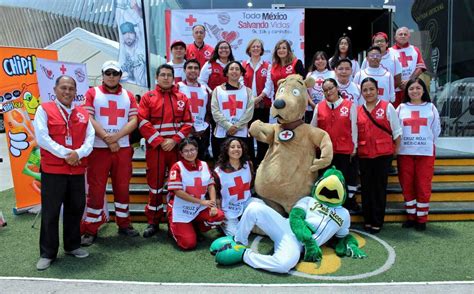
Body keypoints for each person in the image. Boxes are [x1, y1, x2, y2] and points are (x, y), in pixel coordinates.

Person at [33, 75, 94, 270]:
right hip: (53, 170)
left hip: (76, 170)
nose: (67, 91)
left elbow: (90, 139)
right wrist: (66, 154)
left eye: (71, 88)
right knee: (50, 212)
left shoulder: (83, 114)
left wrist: (78, 153)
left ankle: (72, 245)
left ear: (76, 92)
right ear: (56, 89)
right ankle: (47, 253)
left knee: (75, 209)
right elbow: (42, 138)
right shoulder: (44, 109)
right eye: (63, 88)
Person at [80, 60, 139, 246]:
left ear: (120, 75)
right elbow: (88, 117)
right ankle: (91, 228)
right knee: (95, 190)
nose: (111, 76)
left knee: (122, 187)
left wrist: (116, 138)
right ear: (103, 75)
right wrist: (107, 137)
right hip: (98, 148)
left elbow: (134, 120)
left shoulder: (128, 95)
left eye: (115, 73)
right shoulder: (92, 93)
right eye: (108, 73)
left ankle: (124, 223)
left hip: (122, 148)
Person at [138, 64, 194, 238]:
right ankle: (153, 221)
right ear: (157, 77)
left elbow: (188, 122)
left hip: (177, 149)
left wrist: (174, 140)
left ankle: (175, 220)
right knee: (155, 186)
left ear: (173, 77)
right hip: (156, 149)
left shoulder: (182, 97)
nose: (166, 78)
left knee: (177, 185)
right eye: (162, 75)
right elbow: (142, 121)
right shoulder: (148, 97)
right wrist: (160, 141)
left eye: (169, 75)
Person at [357, 77, 401, 233]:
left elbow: (397, 133)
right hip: (364, 155)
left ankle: (377, 222)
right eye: (365, 90)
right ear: (361, 92)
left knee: (379, 189)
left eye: (371, 89)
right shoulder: (358, 111)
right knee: (366, 189)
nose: (368, 93)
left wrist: (394, 153)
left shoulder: (387, 107)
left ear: (377, 90)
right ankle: (367, 220)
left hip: (383, 156)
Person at [397, 78, 440, 231]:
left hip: (425, 152)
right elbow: (396, 129)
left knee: (423, 185)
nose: (415, 91)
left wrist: (425, 142)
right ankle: (411, 216)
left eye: (418, 88)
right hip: (405, 152)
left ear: (423, 90)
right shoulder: (401, 108)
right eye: (411, 88)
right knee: (407, 184)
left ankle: (421, 219)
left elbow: (436, 130)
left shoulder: (431, 107)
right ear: (407, 91)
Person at [310, 78, 359, 212]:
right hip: (325, 152)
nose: (328, 92)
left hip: (344, 150)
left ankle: (343, 207)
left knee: (342, 179)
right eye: (325, 90)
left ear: (337, 88)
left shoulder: (349, 105)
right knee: (325, 180)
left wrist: (354, 146)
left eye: (331, 88)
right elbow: (313, 128)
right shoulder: (319, 107)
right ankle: (324, 208)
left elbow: (354, 127)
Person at [167, 138, 225, 250]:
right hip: (181, 208)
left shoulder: (204, 165)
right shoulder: (177, 167)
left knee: (218, 216)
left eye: (192, 149)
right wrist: (201, 202)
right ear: (181, 153)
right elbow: (177, 192)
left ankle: (195, 226)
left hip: (199, 208)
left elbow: (210, 185)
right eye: (186, 151)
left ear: (197, 150)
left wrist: (212, 205)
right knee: (188, 244)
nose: (190, 153)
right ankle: (172, 228)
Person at [214, 138, 262, 236]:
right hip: (228, 207)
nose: (236, 149)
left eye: (239, 147)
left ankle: (244, 218)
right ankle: (224, 224)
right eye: (232, 147)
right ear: (226, 150)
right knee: (235, 236)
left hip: (245, 202)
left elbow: (251, 184)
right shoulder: (218, 172)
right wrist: (219, 211)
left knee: (261, 206)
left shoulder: (248, 164)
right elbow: (216, 193)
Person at [211, 61, 254, 160]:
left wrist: (236, 127)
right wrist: (228, 126)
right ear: (226, 73)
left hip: (242, 134)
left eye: (237, 69)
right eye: (231, 69)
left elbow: (249, 112)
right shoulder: (217, 90)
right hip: (222, 134)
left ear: (241, 73)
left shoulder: (247, 91)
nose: (234, 71)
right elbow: (215, 111)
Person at [241, 38, 273, 165]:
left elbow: (269, 84)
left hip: (262, 104)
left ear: (261, 50)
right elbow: (241, 83)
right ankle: (249, 164)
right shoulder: (243, 65)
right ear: (249, 49)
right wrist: (250, 99)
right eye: (253, 46)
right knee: (248, 134)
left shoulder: (267, 65)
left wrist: (259, 98)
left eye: (258, 47)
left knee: (261, 135)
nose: (255, 49)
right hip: (247, 105)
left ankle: (261, 163)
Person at [177, 59, 211, 160]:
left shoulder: (205, 89)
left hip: (201, 131)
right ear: (184, 70)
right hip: (183, 131)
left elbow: (208, 111)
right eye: (190, 68)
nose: (193, 70)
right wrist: (189, 128)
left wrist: (203, 127)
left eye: (196, 68)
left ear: (199, 71)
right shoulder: (178, 87)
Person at [391, 27, 427, 108]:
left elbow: (420, 67)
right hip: (395, 89)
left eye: (405, 34)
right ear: (395, 37)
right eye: (400, 34)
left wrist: (409, 81)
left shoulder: (415, 49)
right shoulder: (389, 51)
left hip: (411, 89)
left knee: (410, 113)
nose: (403, 36)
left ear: (409, 36)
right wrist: (398, 82)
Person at [306, 51, 335, 122]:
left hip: (328, 108)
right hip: (311, 109)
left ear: (327, 61)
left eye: (323, 59)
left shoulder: (333, 74)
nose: (320, 61)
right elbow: (305, 91)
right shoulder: (310, 74)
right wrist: (311, 103)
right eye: (317, 59)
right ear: (314, 62)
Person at [118, 21, 147, 87]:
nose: (128, 36)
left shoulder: (142, 48)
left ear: (135, 34)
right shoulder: (121, 53)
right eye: (125, 33)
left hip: (146, 87)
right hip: (131, 89)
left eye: (130, 33)